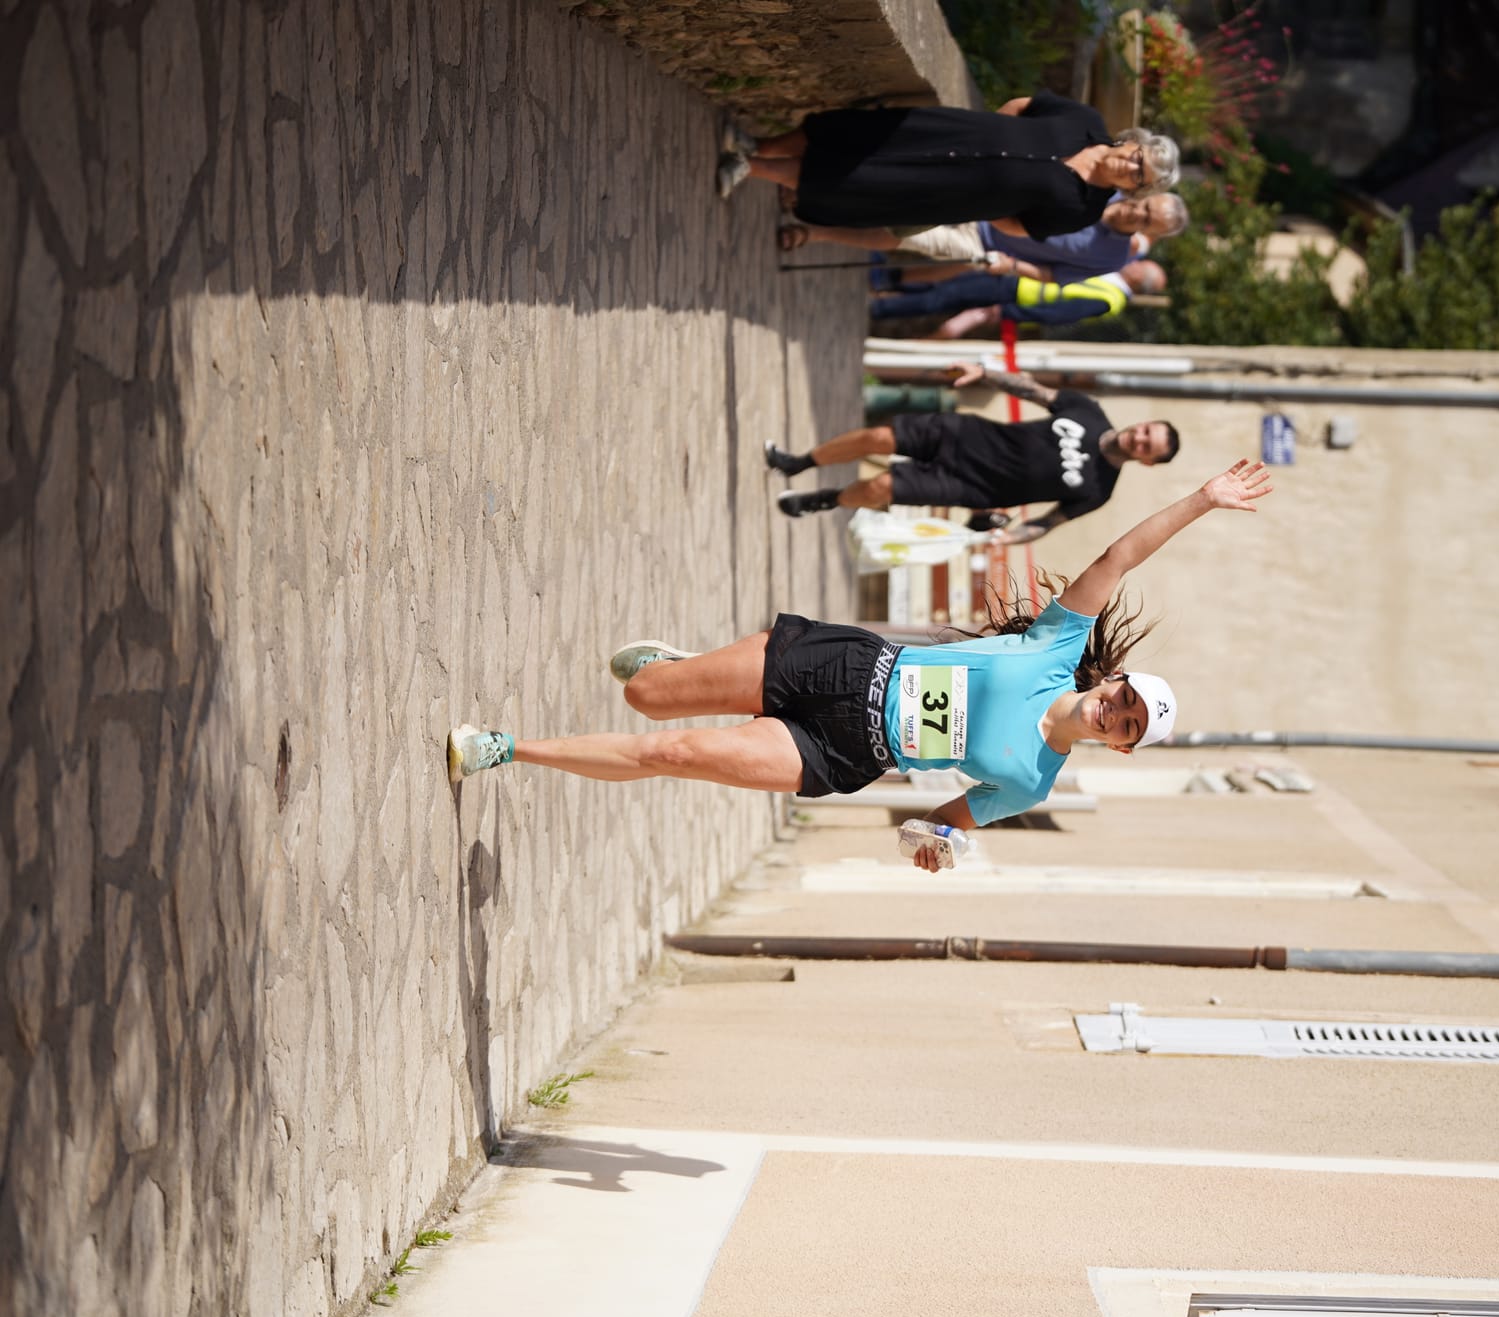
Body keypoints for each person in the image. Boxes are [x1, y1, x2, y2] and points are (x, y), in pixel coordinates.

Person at [446, 462, 1274, 866]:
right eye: (1123, 699)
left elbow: (948, 818)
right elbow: (1120, 553)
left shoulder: (1031, 783)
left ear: (1122, 747)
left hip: (845, 753)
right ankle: (682, 666)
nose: (1115, 715)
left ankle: (505, 747)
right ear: (1109, 680)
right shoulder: (1056, 649)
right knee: (646, 695)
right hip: (845, 668)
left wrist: (932, 841)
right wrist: (1202, 501)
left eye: (1127, 729)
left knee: (674, 754)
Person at [764, 362, 1178, 544]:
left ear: (1146, 461)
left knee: (881, 486)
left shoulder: (1099, 490)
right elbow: (1034, 391)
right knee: (878, 438)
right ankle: (801, 461)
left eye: (1147, 446)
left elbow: (1048, 523)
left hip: (970, 487)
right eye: (1145, 431)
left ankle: (826, 500)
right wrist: (987, 374)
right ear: (1141, 424)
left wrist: (1006, 538)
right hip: (967, 435)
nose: (1138, 439)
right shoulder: (1088, 412)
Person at [724, 92, 1178, 240]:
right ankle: (761, 143)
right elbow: (1023, 104)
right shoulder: (1086, 121)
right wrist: (991, 134)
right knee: (855, 133)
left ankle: (751, 167)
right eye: (1138, 157)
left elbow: (1017, 226)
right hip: (950, 132)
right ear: (1133, 143)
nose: (1131, 167)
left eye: (1141, 176)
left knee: (858, 181)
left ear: (1137, 188)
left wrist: (984, 195)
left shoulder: (1085, 209)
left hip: (951, 191)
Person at [781, 193, 1190, 282]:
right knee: (903, 204)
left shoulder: (1111, 256)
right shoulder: (1104, 186)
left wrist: (1011, 266)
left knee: (905, 238)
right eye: (1145, 205)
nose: (1137, 213)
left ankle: (816, 231)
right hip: (985, 199)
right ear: (1146, 195)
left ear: (1150, 232)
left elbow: (1054, 275)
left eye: (1147, 220)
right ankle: (814, 200)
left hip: (986, 245)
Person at [870, 260, 1166, 335]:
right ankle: (888, 286)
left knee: (945, 296)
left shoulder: (1110, 299)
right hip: (1017, 275)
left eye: (1142, 266)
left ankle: (880, 307)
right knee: (950, 280)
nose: (1135, 263)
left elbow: (1058, 313)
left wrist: (1009, 312)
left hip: (1015, 292)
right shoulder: (1112, 273)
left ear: (1141, 281)